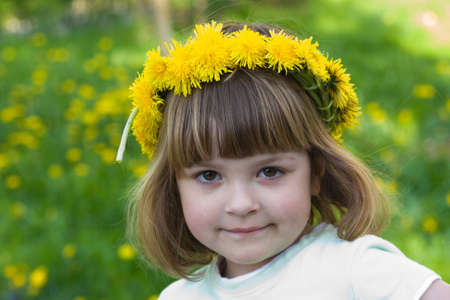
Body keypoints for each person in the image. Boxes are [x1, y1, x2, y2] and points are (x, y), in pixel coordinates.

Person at [120, 20, 450, 299]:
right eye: (209, 176)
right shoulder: (179, 296)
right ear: (174, 185)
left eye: (269, 171)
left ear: (315, 172)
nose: (241, 204)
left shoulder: (358, 271)